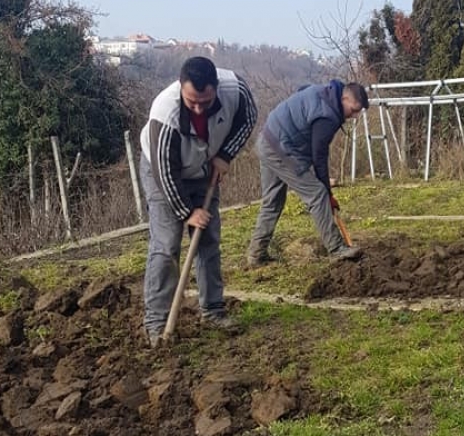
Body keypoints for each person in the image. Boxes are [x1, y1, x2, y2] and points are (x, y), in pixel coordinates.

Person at [140, 56, 257, 347]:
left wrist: (225, 155)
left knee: (208, 241)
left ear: (216, 88)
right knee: (166, 246)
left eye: (205, 102)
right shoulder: (164, 115)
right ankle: (156, 322)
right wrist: (186, 212)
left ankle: (213, 310)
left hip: (205, 166)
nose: (198, 108)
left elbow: (248, 119)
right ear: (181, 87)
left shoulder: (235, 91)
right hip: (164, 173)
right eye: (192, 101)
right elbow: (165, 173)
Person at [245, 79, 368, 266]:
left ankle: (256, 255)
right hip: (280, 147)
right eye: (353, 110)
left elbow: (300, 91)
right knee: (317, 194)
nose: (354, 116)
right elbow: (319, 155)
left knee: (273, 200)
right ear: (344, 98)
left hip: (267, 138)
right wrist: (327, 192)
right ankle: (336, 248)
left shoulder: (324, 92)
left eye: (358, 112)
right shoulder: (329, 115)